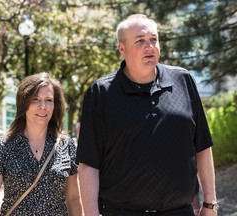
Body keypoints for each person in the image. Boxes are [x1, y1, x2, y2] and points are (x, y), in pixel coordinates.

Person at [77, 14, 218, 216]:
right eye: (140, 41)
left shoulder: (183, 81)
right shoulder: (100, 93)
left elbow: (203, 146)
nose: (149, 46)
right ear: (122, 49)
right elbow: (89, 163)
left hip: (180, 212)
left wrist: (210, 204)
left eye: (153, 39)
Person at [0, 72, 83, 216]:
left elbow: (73, 199)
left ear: (55, 105)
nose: (43, 106)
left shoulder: (67, 145)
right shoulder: (3, 146)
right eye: (36, 99)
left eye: (48, 100)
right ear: (24, 103)